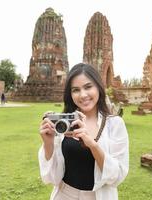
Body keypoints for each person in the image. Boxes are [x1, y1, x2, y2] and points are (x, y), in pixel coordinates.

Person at [38, 63, 129, 200]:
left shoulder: (114, 124)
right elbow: (52, 177)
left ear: (98, 87)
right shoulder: (64, 124)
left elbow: (117, 176)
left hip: (99, 196)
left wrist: (92, 145)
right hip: (64, 195)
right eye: (75, 90)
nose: (83, 95)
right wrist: (48, 144)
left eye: (88, 87)